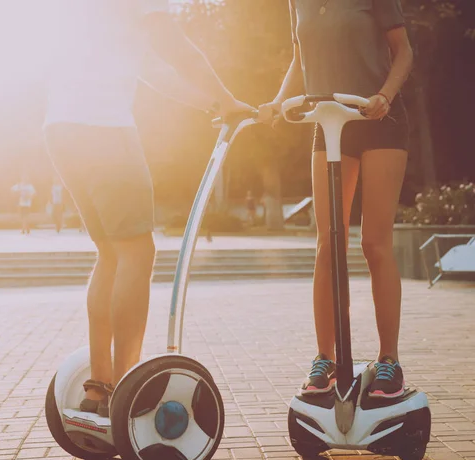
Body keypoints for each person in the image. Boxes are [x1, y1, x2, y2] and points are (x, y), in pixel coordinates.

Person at [44, 0, 254, 416]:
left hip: (61, 128)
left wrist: (214, 106)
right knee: (138, 252)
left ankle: (99, 389)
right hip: (105, 128)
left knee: (111, 253)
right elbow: (179, 51)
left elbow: (152, 72)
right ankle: (125, 386)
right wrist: (227, 97)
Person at [259, 0, 414, 399]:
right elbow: (300, 58)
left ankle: (389, 361)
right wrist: (279, 100)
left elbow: (404, 52)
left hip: (378, 120)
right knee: (328, 245)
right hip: (329, 126)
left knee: (374, 244)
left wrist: (385, 95)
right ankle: (325, 359)